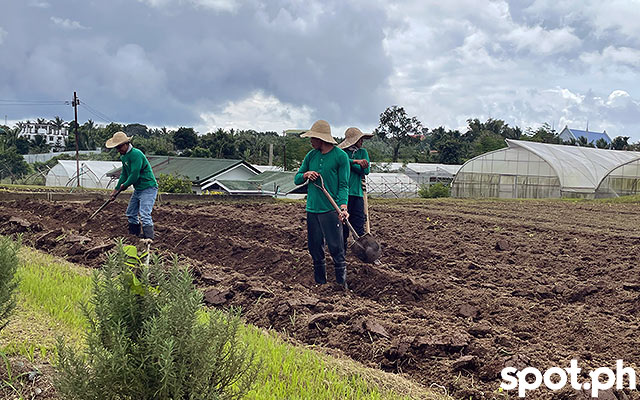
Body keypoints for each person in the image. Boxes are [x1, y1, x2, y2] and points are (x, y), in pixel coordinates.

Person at [294, 120, 351, 289]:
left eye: (313, 138)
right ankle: (320, 283)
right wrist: (306, 174)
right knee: (315, 248)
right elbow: (297, 178)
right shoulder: (311, 156)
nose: (310, 141)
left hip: (330, 209)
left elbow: (343, 186)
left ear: (322, 139)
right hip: (312, 208)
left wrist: (343, 207)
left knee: (336, 248)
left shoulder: (341, 157)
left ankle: (341, 285)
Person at [106, 131, 158, 240]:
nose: (118, 150)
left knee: (144, 214)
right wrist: (115, 190)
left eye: (119, 147)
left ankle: (149, 239)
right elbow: (124, 174)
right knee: (131, 213)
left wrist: (124, 186)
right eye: (116, 148)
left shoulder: (136, 154)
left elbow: (134, 175)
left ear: (126, 144)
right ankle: (134, 236)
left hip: (148, 187)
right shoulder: (124, 156)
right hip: (138, 189)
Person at [338, 127, 373, 252]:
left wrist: (351, 164)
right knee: (343, 225)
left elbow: (366, 170)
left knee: (358, 224)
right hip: (344, 194)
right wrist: (355, 162)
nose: (362, 141)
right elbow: (341, 162)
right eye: (360, 139)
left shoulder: (363, 153)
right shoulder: (342, 153)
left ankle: (364, 251)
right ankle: (342, 251)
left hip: (358, 193)